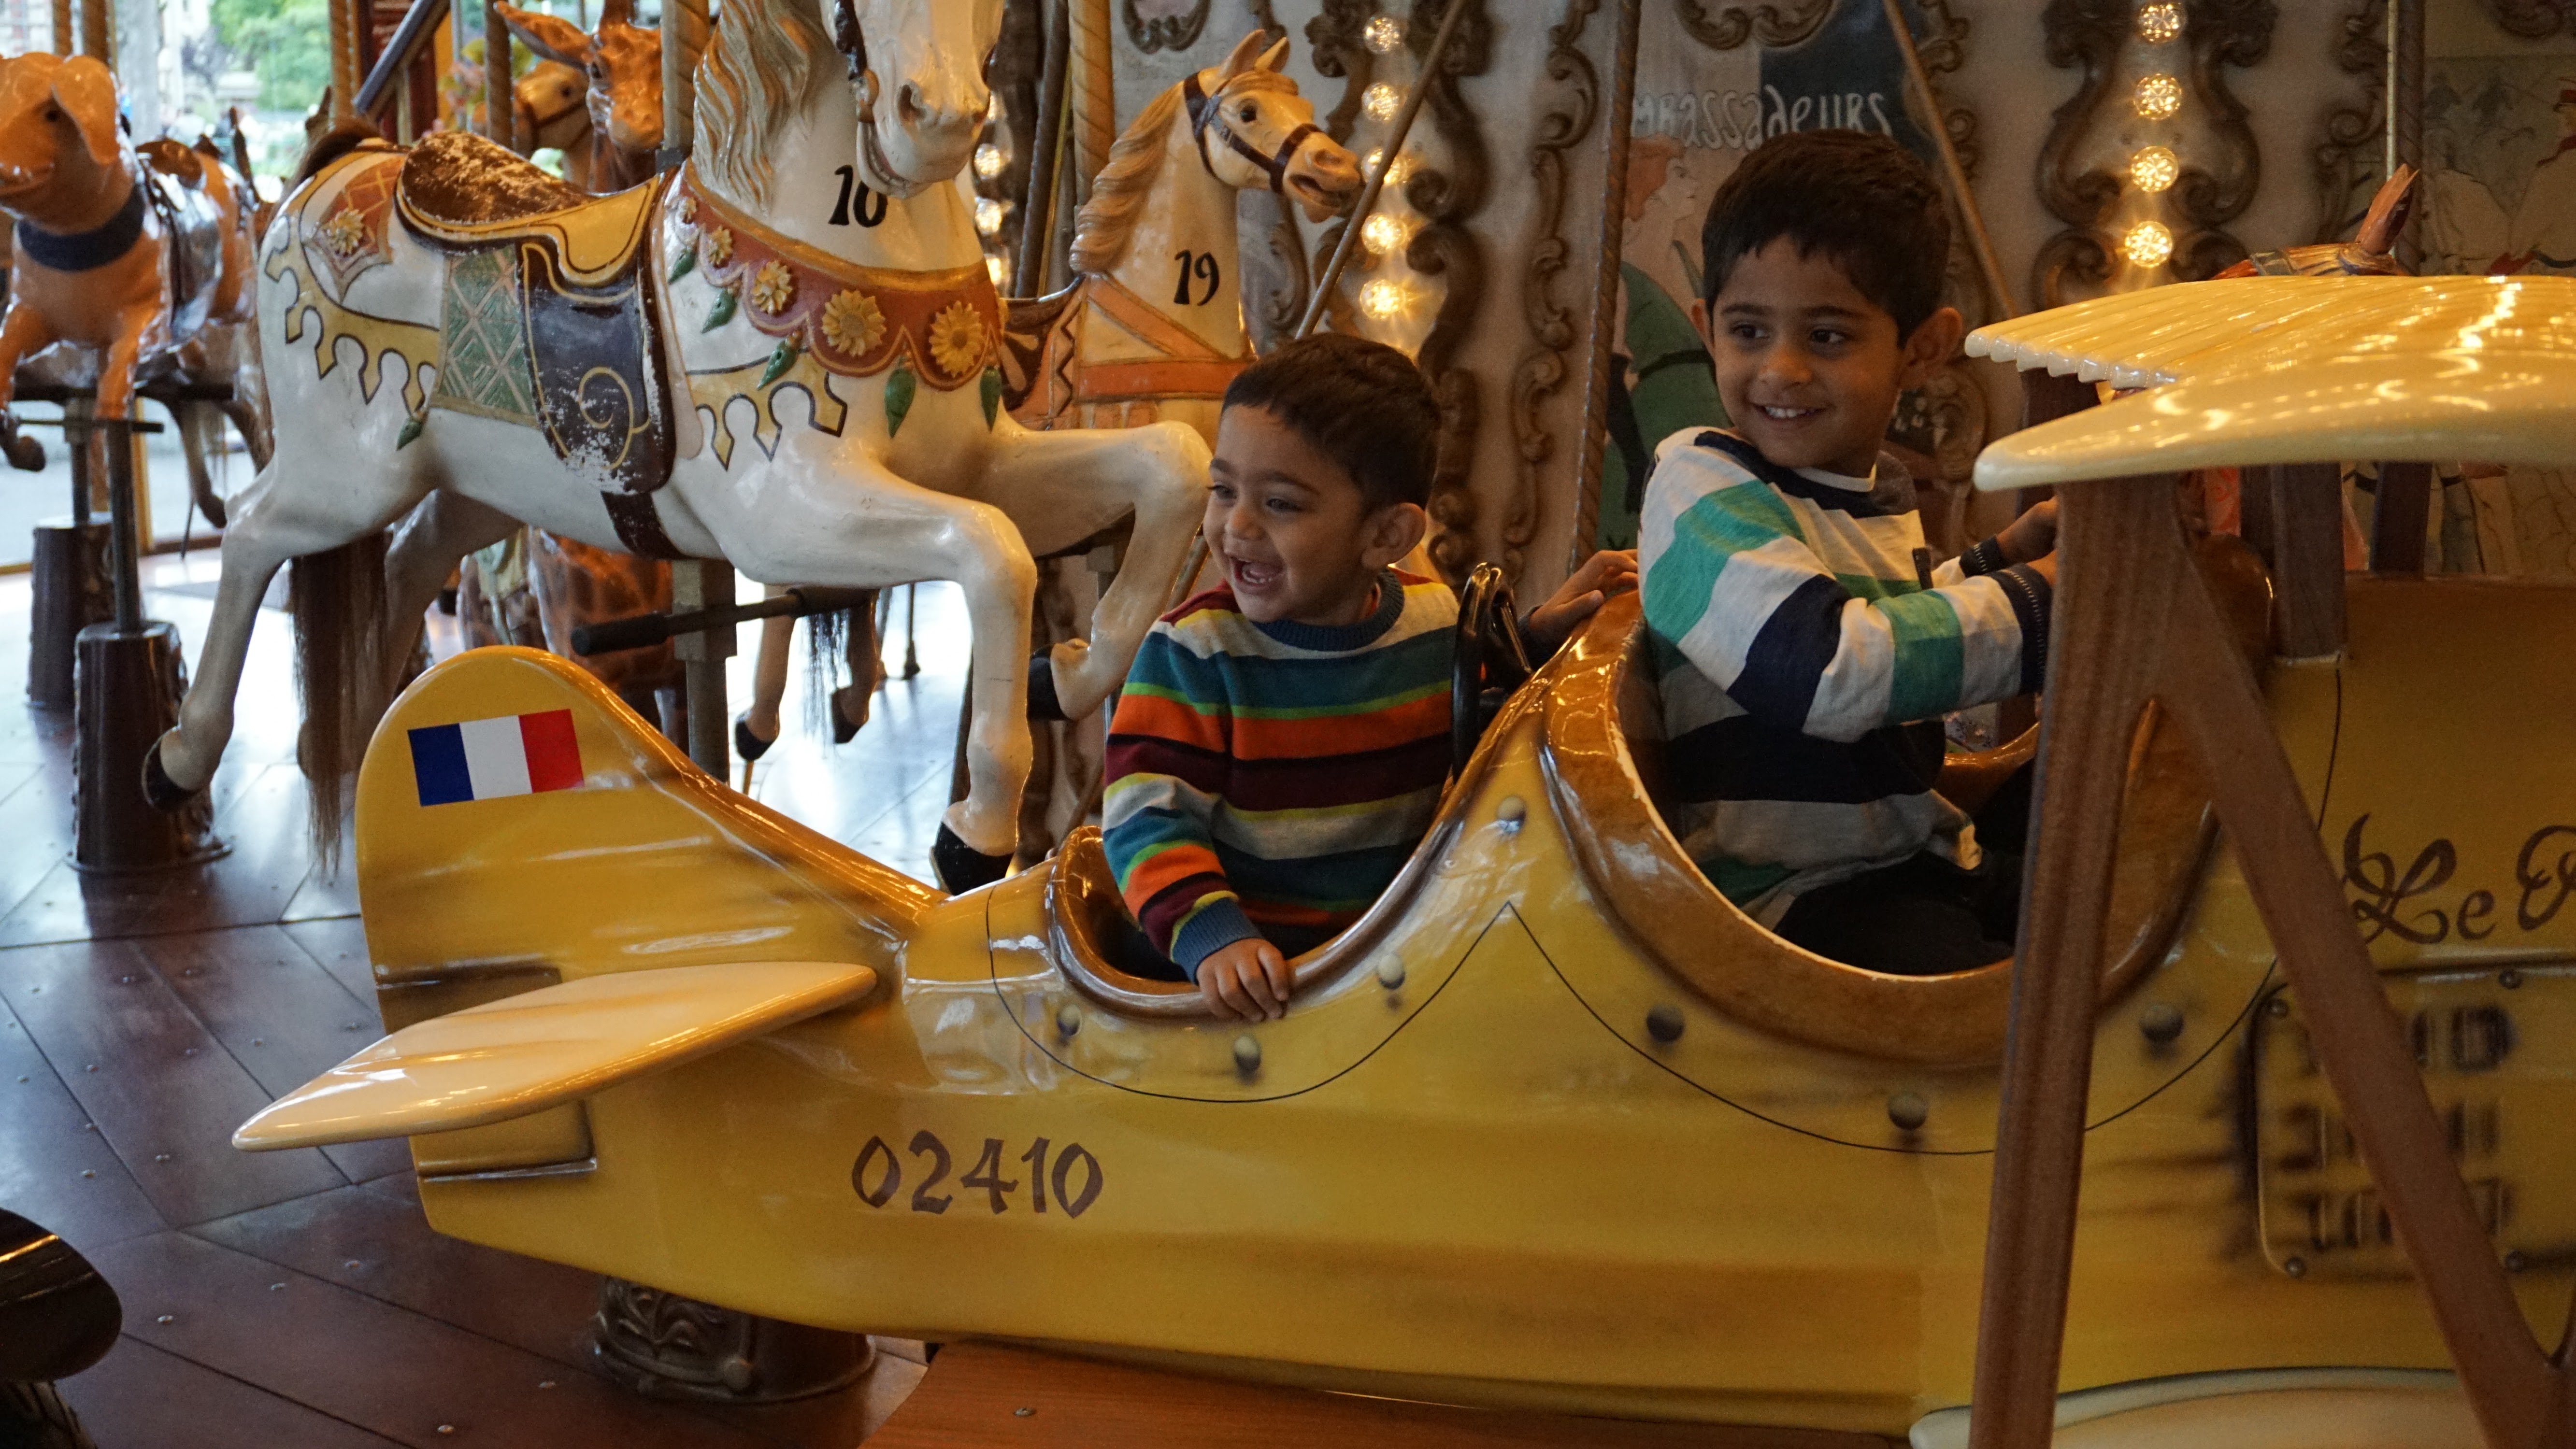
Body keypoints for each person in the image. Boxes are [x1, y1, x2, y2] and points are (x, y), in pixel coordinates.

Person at [1103, 333, 1636, 1020]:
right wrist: (1213, 936)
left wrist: (1533, 638)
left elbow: (1475, 707)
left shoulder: (1432, 620)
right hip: (1225, 973)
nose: (1236, 526)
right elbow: (1146, 818)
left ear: (1385, 536)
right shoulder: (1193, 653)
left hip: (1375, 958)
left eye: (1280, 504)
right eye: (1224, 490)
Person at [1642, 129, 2058, 975]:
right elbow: (1825, 669)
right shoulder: (1700, 482)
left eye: (1828, 337)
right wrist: (2046, 602)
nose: (1782, 370)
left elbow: (1881, 617)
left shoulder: (1872, 492)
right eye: (1748, 330)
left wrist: (2001, 561)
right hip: (1788, 898)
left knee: (2120, 882)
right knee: (2015, 994)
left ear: (1922, 349)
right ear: (1706, 331)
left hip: (1905, 860)